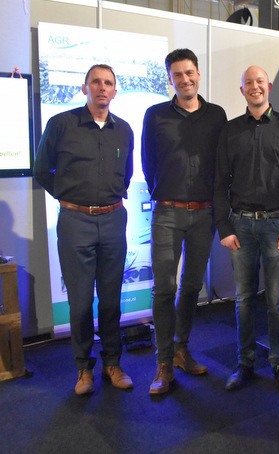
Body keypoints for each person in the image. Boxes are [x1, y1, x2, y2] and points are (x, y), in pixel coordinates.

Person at [34, 64, 134, 395]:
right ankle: (83, 369)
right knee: (79, 303)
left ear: (115, 91)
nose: (102, 87)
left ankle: (112, 363)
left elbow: (127, 172)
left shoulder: (124, 130)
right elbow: (42, 170)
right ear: (84, 88)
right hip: (75, 221)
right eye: (96, 82)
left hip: (113, 220)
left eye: (108, 83)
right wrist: (70, 197)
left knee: (111, 301)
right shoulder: (61, 124)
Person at [214, 65, 279, 395]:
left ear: (268, 86)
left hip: (278, 227)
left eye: (259, 81)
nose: (254, 87)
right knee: (243, 300)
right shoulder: (230, 131)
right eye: (248, 83)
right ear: (242, 90)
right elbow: (219, 183)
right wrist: (224, 226)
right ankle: (244, 363)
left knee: (277, 302)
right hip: (240, 226)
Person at [142, 48, 227, 395]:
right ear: (170, 79)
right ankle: (163, 362)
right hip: (168, 212)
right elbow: (148, 162)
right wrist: (164, 191)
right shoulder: (155, 115)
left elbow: (221, 163)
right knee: (164, 288)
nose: (184, 79)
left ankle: (181, 349)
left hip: (204, 213)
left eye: (189, 72)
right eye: (177, 74)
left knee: (192, 287)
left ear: (198, 74)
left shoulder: (217, 115)